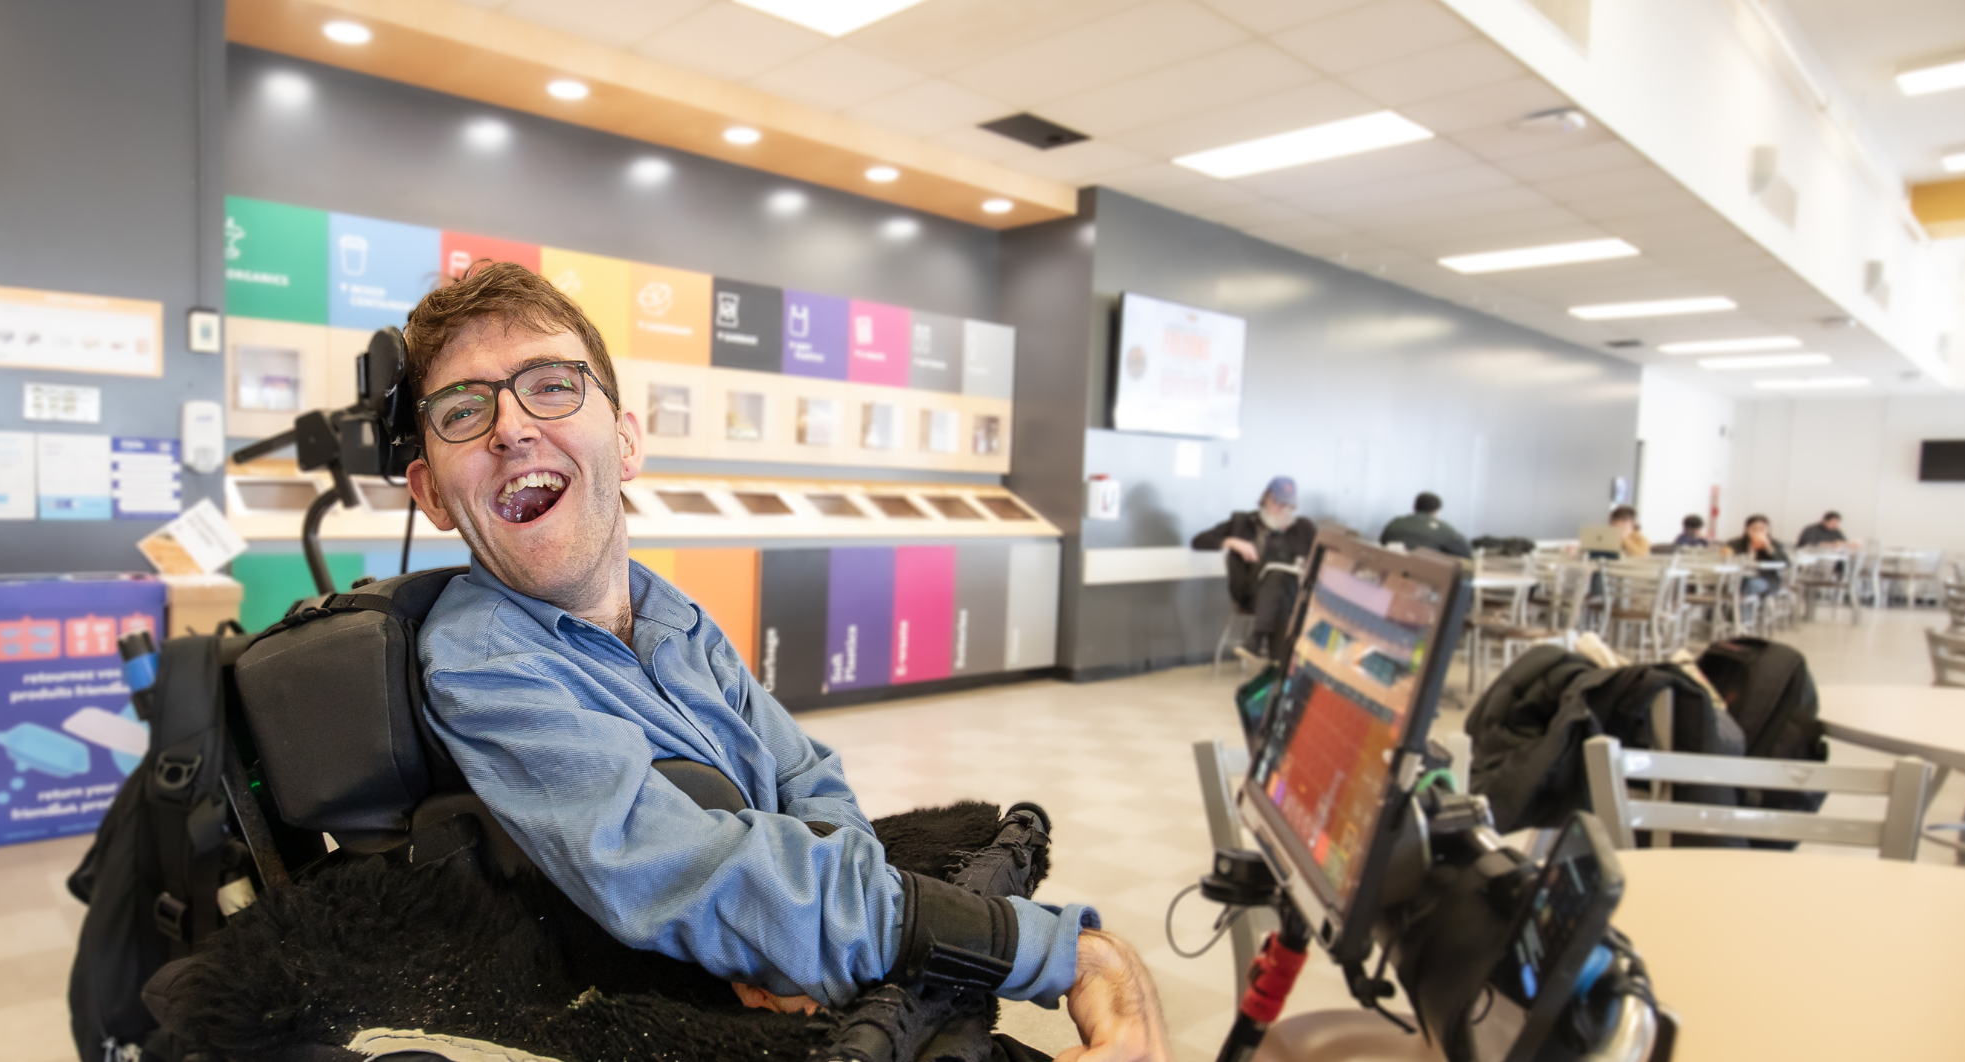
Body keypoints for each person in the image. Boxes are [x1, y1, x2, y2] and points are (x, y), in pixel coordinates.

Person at [396, 263, 1167, 1057]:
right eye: (462, 409)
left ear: (625, 443)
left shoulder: (671, 615)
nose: (511, 427)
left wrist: (806, 948)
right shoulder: (480, 663)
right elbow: (679, 868)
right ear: (430, 493)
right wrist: (1049, 951)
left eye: (553, 385)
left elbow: (807, 777)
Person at [1193, 476, 1319, 663]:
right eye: (1278, 503)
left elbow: (1321, 559)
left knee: (1282, 585)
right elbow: (1198, 541)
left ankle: (1259, 639)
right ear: (1266, 498)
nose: (1282, 509)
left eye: (1288, 505)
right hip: (1252, 594)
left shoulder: (1303, 528)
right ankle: (1279, 663)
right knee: (1278, 578)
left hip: (1292, 595)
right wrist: (1232, 541)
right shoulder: (1243, 523)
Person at [1379, 492, 1473, 558]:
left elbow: (1383, 542)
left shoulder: (1396, 522)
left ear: (1414, 506)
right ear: (1436, 510)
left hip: (1390, 572)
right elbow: (1466, 553)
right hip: (1424, 575)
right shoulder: (1443, 529)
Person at [1729, 514, 1787, 596]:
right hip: (1738, 577)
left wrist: (1768, 547)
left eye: (1762, 529)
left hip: (1766, 578)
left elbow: (1786, 563)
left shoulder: (1774, 544)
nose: (1758, 531)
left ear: (1768, 530)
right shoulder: (1736, 543)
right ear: (1747, 529)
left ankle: (1742, 607)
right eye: (1754, 529)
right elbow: (1728, 558)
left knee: (1751, 584)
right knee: (1719, 584)